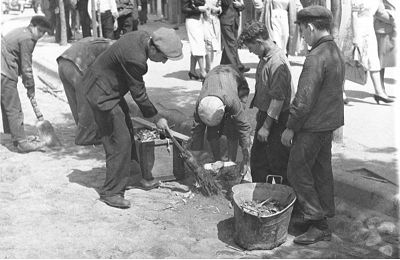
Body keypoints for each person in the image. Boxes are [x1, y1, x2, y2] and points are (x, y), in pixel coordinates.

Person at [81, 28, 183, 209]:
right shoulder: (136, 60)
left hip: (109, 89)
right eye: (164, 57)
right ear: (154, 49)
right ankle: (111, 192)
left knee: (127, 131)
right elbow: (139, 94)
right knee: (119, 142)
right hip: (102, 94)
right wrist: (156, 117)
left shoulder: (143, 36)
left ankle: (134, 177)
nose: (165, 61)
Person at [281, 6, 345, 245]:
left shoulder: (316, 56)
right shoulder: (334, 50)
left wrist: (290, 127)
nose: (302, 36)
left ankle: (316, 221)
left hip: (313, 125)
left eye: (301, 31)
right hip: (328, 124)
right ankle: (321, 217)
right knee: (320, 171)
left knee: (296, 170)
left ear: (309, 27)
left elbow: (304, 99)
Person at [238, 22, 293, 184]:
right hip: (266, 115)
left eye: (251, 47)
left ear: (259, 43)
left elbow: (278, 99)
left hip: (277, 120)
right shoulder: (265, 57)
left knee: (278, 163)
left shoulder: (277, 62)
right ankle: (262, 195)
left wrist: (266, 127)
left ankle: (281, 200)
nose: (250, 51)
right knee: (260, 162)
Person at [1, 16, 52, 153]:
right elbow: (26, 67)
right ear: (33, 26)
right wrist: (30, 88)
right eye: (40, 31)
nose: (41, 35)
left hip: (3, 67)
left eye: (44, 33)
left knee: (7, 104)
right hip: (4, 71)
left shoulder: (21, 31)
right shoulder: (28, 39)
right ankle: (22, 143)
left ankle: (11, 135)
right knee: (14, 108)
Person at [189, 65, 251, 176]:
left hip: (236, 82)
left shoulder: (233, 101)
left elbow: (244, 128)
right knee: (212, 130)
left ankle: (231, 163)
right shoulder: (200, 104)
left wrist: (246, 158)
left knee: (233, 125)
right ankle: (216, 161)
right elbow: (197, 130)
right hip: (213, 79)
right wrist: (195, 159)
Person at [57, 37, 114, 146]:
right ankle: (85, 137)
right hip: (76, 64)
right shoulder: (115, 50)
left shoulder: (107, 43)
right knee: (86, 101)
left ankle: (82, 130)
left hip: (63, 62)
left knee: (75, 101)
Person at [351, 0, 394, 104]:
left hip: (369, 32)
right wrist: (355, 37)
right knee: (347, 62)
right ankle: (341, 93)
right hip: (353, 32)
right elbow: (353, 16)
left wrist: (394, 19)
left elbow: (381, 13)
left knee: (373, 61)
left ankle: (379, 93)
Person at [374, 0, 397, 98]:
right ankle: (380, 90)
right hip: (383, 31)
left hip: (391, 30)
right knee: (381, 61)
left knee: (386, 61)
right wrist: (395, 19)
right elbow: (379, 12)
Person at [219, 0, 249, 72]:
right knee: (231, 43)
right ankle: (236, 67)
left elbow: (243, 6)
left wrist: (240, 5)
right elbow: (225, 3)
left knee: (231, 44)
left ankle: (224, 65)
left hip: (235, 20)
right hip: (226, 19)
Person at [182, 0, 208, 80]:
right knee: (198, 45)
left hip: (200, 20)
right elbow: (184, 9)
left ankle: (192, 71)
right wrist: (198, 9)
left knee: (196, 46)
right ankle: (203, 72)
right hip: (192, 21)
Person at [203, 0, 222, 72]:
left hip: (215, 20)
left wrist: (218, 9)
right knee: (208, 44)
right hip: (205, 20)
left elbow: (221, 6)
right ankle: (208, 68)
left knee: (215, 45)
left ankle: (212, 66)